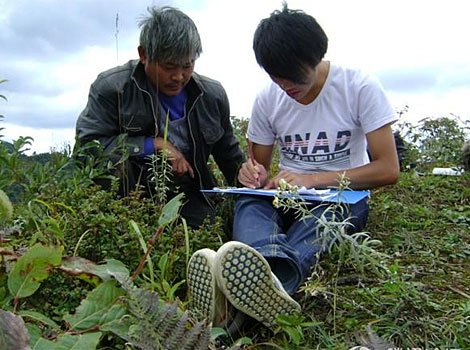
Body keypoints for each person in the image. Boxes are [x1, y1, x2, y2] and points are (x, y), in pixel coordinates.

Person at [187, 3, 399, 335]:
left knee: (326, 220)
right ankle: (264, 282)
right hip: (284, 195)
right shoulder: (268, 99)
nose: (286, 85)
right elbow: (258, 168)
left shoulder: (359, 87)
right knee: (251, 202)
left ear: (317, 57)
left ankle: (254, 289)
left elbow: (388, 169)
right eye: (276, 75)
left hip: (340, 197)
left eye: (294, 75)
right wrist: (251, 174)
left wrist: (311, 178)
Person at [75, 6, 244, 228]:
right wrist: (153, 144)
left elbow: (228, 152)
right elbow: (87, 150)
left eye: (187, 65)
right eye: (169, 66)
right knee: (113, 163)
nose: (179, 76)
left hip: (189, 191)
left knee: (210, 235)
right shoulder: (113, 88)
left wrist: (249, 177)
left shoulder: (212, 95)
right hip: (131, 194)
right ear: (144, 55)